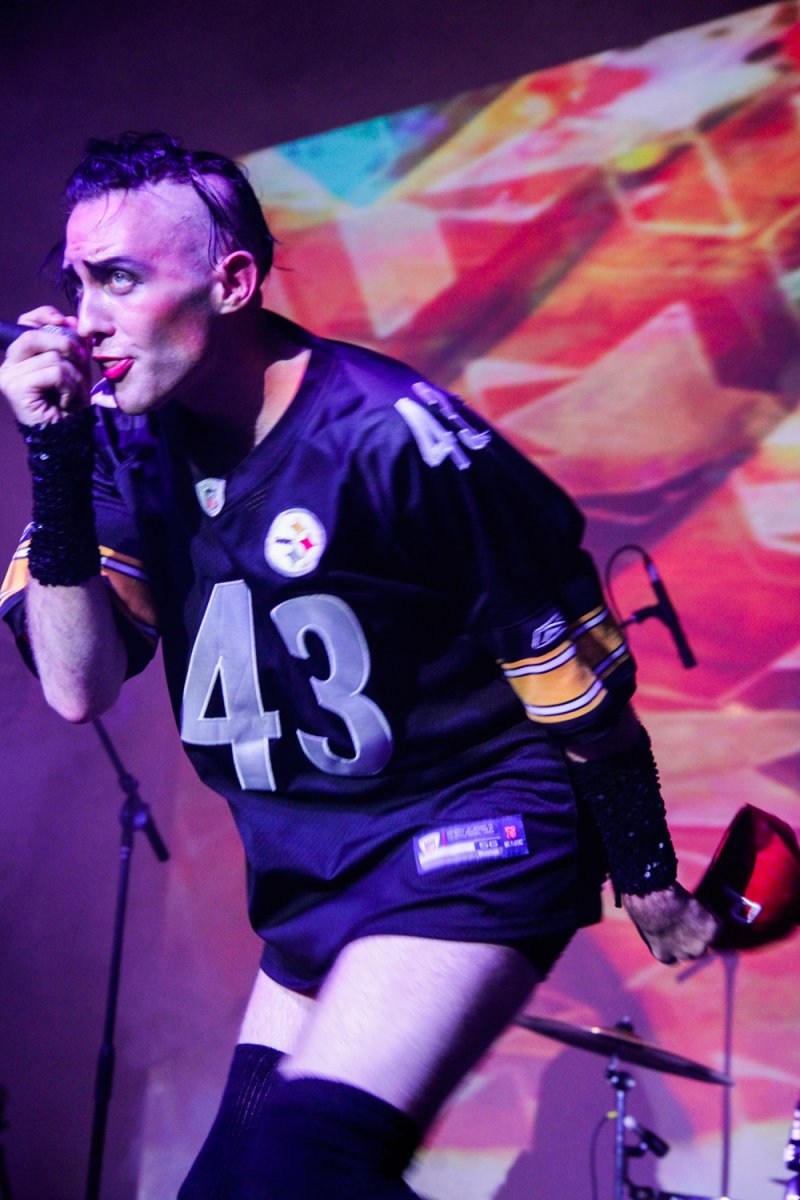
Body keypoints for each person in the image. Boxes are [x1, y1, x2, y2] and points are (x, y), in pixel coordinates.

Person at [0, 132, 716, 1199]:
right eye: (75, 283)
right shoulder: (111, 440)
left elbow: (559, 659)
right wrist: (52, 459)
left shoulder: (389, 437)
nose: (85, 318)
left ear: (231, 281)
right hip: (314, 863)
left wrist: (646, 867)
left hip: (472, 825)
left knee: (311, 1163)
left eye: (119, 279)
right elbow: (77, 686)